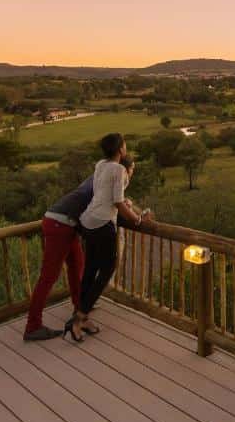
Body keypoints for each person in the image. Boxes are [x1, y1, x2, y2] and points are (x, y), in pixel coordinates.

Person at [22, 156, 136, 341]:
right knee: (48, 277)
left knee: (77, 268)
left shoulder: (101, 177)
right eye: (131, 171)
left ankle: (80, 309)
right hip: (60, 224)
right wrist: (133, 215)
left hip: (66, 224)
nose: (130, 176)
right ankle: (32, 326)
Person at [66, 133, 151, 341]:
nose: (126, 148)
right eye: (125, 145)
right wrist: (138, 220)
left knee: (91, 268)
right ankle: (79, 317)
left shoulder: (100, 165)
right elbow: (119, 204)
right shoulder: (119, 169)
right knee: (108, 268)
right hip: (103, 224)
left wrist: (125, 205)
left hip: (87, 221)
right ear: (120, 150)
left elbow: (104, 194)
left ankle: (80, 315)